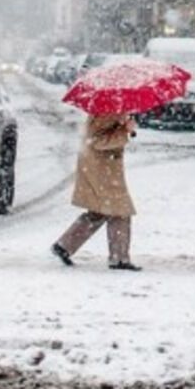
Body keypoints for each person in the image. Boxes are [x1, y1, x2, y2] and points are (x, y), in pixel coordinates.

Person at [52, 112, 141, 271]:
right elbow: (98, 141)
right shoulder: (105, 113)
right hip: (101, 169)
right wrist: (124, 131)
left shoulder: (112, 109)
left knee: (101, 210)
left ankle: (65, 245)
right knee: (119, 211)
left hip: (103, 167)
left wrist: (125, 127)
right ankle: (119, 258)